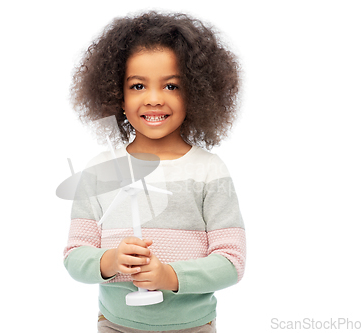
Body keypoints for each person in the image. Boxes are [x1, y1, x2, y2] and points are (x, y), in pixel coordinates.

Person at [63, 11, 246, 332]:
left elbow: (232, 262)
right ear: (117, 94)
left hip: (194, 326)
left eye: (172, 85)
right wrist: (108, 262)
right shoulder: (101, 170)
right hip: (116, 324)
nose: (153, 99)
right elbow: (75, 255)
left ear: (197, 92)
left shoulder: (209, 170)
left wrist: (170, 277)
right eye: (137, 85)